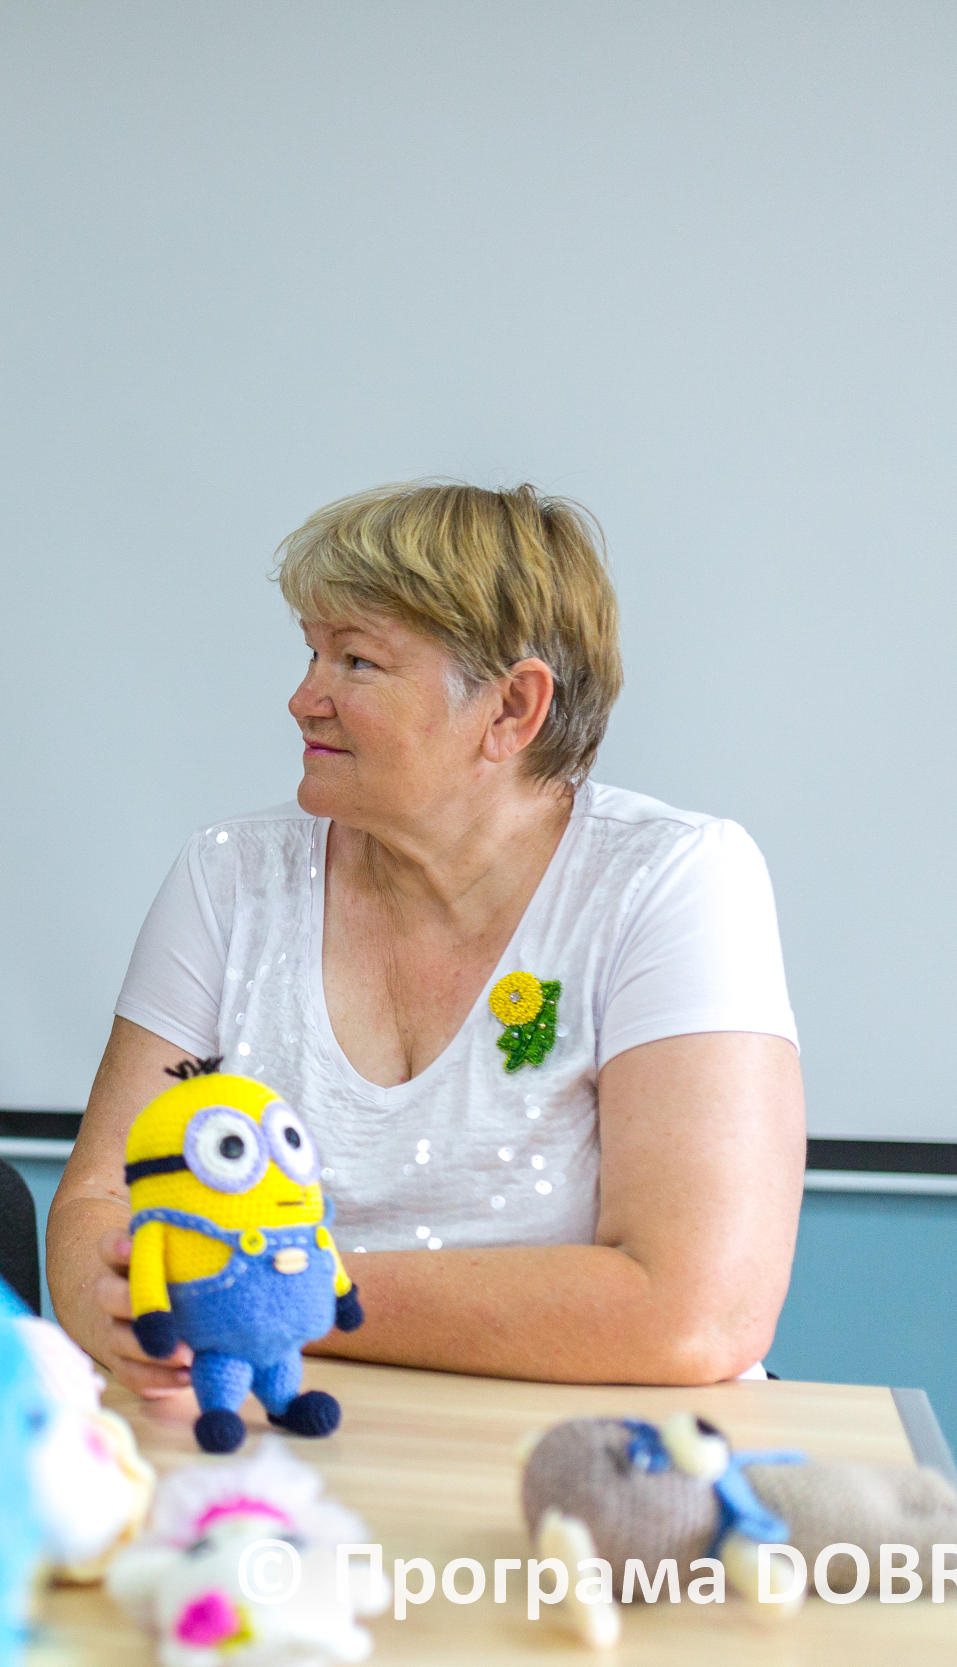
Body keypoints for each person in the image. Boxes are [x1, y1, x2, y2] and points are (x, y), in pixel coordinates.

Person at [48, 482, 804, 1388]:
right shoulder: (229, 876)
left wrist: (269, 1295)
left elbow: (696, 1313)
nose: (303, 699)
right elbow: (101, 1200)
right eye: (312, 654)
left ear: (512, 709)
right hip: (271, 1428)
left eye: (356, 662)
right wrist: (114, 1300)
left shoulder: (673, 879)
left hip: (596, 1456)